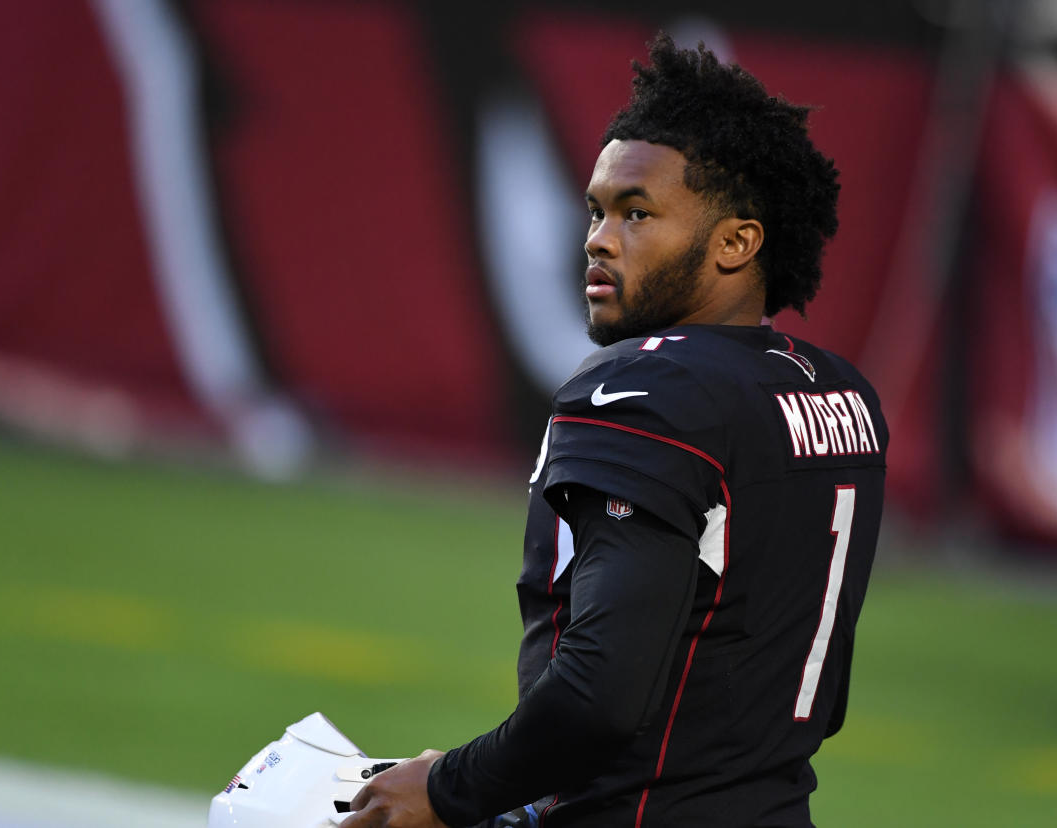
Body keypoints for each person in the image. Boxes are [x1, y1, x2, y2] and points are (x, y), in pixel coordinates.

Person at [343, 32, 887, 828]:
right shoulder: (843, 392)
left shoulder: (650, 386)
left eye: (637, 214)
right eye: (596, 210)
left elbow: (602, 690)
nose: (598, 238)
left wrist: (449, 786)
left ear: (737, 242)